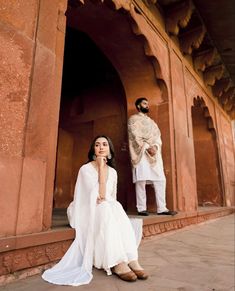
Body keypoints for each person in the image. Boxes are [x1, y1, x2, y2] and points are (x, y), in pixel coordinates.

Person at [42, 135, 148, 286]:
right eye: (97, 145)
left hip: (105, 207)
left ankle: (132, 259)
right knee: (105, 208)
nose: (101, 147)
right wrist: (100, 168)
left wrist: (105, 199)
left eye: (105, 144)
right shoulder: (85, 169)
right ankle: (117, 262)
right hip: (86, 209)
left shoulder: (113, 171)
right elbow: (99, 194)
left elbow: (111, 197)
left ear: (109, 150)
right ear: (93, 149)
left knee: (114, 207)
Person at [128, 97, 177, 216]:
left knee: (160, 179)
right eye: (144, 103)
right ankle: (141, 208)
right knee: (141, 179)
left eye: (147, 104)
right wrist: (146, 146)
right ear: (138, 106)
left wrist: (155, 146)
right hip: (141, 151)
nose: (147, 105)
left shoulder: (152, 122)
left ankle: (162, 208)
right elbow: (134, 135)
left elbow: (157, 136)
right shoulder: (133, 119)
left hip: (154, 153)